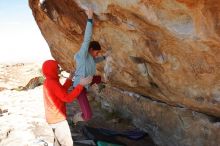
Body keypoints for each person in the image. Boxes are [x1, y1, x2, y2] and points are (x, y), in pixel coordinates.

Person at [71, 8, 109, 124]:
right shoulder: (83, 54)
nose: (97, 55)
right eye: (96, 52)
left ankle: (98, 85)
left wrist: (105, 57)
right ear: (91, 49)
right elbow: (87, 39)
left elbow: (94, 61)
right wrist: (90, 19)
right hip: (79, 88)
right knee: (88, 116)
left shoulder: (91, 58)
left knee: (99, 78)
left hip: (87, 82)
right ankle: (76, 117)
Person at [42, 59, 92, 146]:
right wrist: (81, 85)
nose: (59, 69)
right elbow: (67, 98)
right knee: (67, 143)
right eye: (56, 67)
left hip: (52, 118)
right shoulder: (53, 83)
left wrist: (69, 78)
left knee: (58, 143)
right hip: (58, 120)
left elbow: (61, 91)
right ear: (51, 69)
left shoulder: (48, 81)